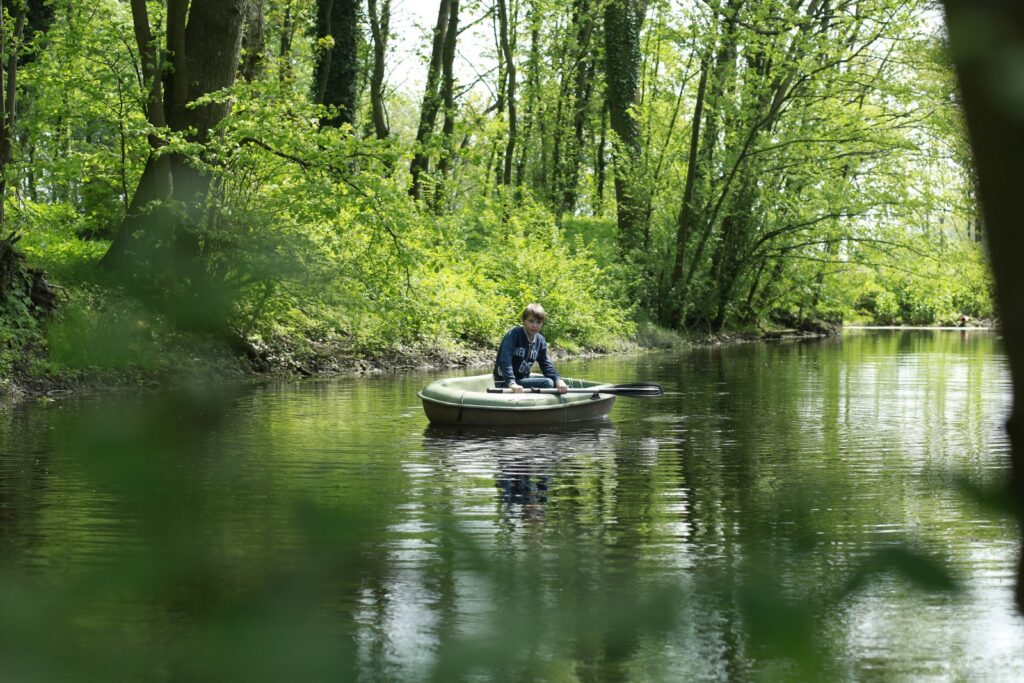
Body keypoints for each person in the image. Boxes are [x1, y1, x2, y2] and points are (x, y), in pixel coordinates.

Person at [493, 303, 569, 394]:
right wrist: (511, 383)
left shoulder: (540, 341)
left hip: (522, 379)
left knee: (556, 382)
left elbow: (546, 365)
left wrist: (558, 380)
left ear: (542, 323)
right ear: (523, 321)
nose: (535, 325)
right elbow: (505, 360)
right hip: (504, 381)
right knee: (548, 383)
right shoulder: (514, 335)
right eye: (531, 321)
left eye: (538, 322)